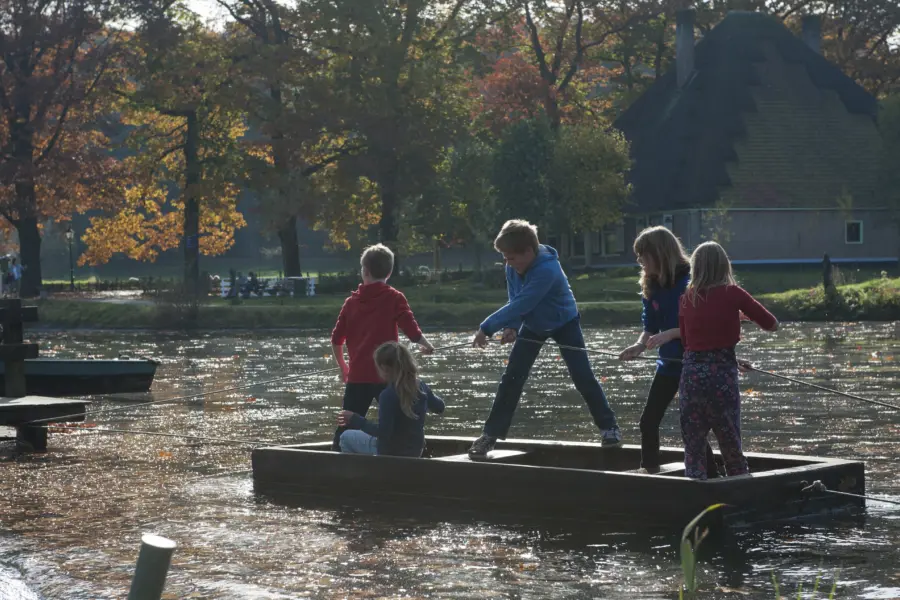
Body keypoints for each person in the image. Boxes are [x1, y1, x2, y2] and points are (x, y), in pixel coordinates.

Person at [469, 219, 621, 458]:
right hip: (533, 324)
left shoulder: (547, 270)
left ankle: (609, 428)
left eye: (511, 257)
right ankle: (489, 436)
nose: (507, 263)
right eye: (505, 258)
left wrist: (486, 328)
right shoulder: (512, 267)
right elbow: (514, 299)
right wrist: (511, 326)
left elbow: (524, 302)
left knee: (582, 376)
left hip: (564, 322)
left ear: (528, 251)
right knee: (512, 378)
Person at [619, 227, 721, 475]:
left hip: (694, 364)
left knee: (691, 425)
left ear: (660, 254)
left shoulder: (690, 282)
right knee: (648, 421)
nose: (639, 260)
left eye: (643, 254)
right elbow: (650, 326)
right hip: (668, 366)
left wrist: (670, 334)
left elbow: (701, 327)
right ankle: (650, 471)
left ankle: (714, 476)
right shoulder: (651, 285)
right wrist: (640, 345)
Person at [678, 241, 778, 480]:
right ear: (725, 266)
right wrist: (739, 317)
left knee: (693, 448)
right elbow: (772, 324)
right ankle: (740, 495)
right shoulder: (733, 294)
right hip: (721, 378)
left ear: (695, 268)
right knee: (731, 444)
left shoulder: (686, 299)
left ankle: (694, 495)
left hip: (691, 377)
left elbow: (688, 342)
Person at [331, 243, 435, 450]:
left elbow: (336, 339)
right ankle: (416, 456)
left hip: (358, 377)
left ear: (364, 271)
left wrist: (344, 368)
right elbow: (411, 329)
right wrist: (427, 345)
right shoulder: (395, 297)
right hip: (388, 375)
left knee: (347, 421)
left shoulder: (351, 303)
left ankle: (336, 457)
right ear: (389, 272)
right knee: (405, 417)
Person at [337, 342, 445, 457]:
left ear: (384, 368)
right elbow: (440, 407)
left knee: (345, 437)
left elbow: (383, 433)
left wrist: (355, 419)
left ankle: (364, 473)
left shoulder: (388, 395)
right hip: (415, 452)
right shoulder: (421, 387)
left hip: (390, 453)